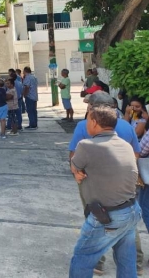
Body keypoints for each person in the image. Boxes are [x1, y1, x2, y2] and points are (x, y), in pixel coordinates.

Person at [69, 91, 143, 275]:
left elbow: (74, 162)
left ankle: (98, 263)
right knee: (126, 261)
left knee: (82, 258)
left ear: (94, 121)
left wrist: (78, 173)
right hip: (131, 208)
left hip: (105, 213)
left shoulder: (86, 143)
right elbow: (135, 157)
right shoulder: (126, 138)